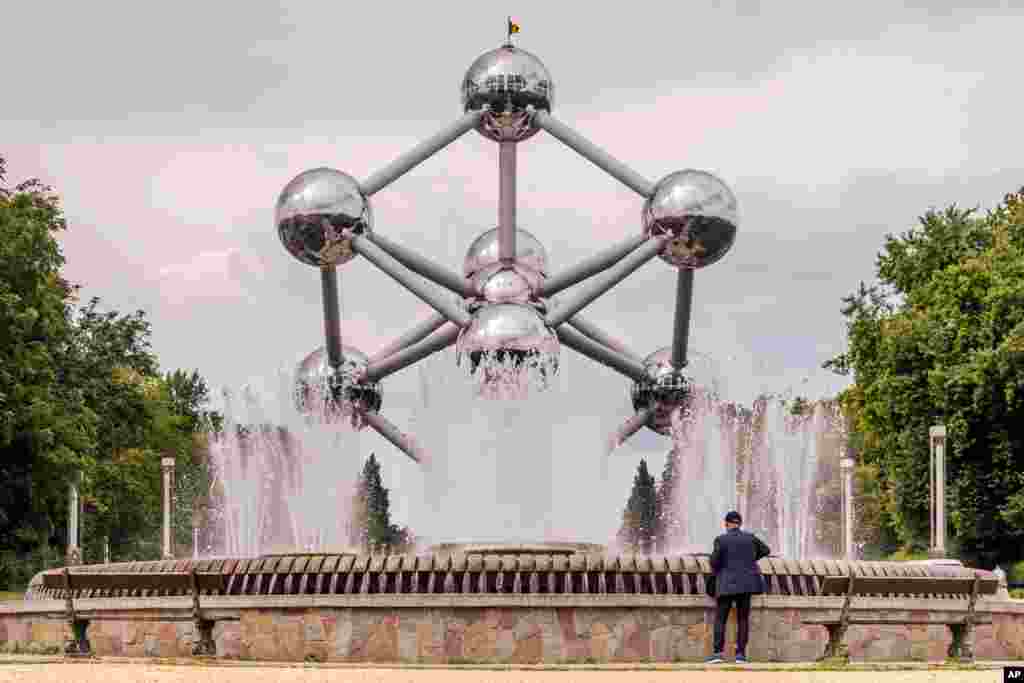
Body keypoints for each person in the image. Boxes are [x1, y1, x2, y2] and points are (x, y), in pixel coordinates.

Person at [706, 510, 771, 664]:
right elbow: (766, 550)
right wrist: (749, 559)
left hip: (726, 584)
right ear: (740, 523)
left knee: (721, 618)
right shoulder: (750, 538)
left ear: (726, 524)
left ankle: (717, 654)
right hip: (746, 584)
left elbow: (714, 563)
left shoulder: (721, 540)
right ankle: (740, 655)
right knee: (743, 619)